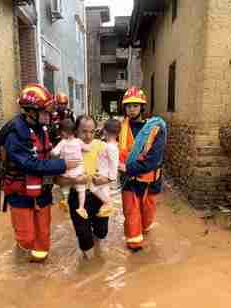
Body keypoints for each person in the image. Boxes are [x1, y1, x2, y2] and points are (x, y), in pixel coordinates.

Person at [0, 84, 79, 262]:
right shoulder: (14, 134)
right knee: (26, 238)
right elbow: (29, 163)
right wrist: (62, 165)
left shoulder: (42, 129)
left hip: (42, 191)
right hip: (20, 193)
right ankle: (21, 255)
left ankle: (38, 266)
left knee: (43, 234)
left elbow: (48, 154)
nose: (49, 115)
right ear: (30, 111)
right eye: (45, 111)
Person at [118, 86, 167, 252]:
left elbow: (154, 160)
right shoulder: (119, 129)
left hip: (150, 181)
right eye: (128, 106)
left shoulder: (155, 129)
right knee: (132, 215)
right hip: (129, 182)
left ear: (142, 107)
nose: (131, 110)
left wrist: (128, 168)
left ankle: (142, 232)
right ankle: (135, 248)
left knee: (147, 219)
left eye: (135, 106)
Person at [59, 115, 111, 259]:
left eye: (92, 132)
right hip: (77, 197)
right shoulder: (65, 148)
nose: (88, 136)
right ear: (75, 131)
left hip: (99, 195)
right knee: (84, 236)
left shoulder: (102, 146)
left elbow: (113, 170)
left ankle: (96, 247)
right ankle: (89, 265)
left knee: (102, 232)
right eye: (84, 131)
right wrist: (74, 180)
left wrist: (105, 179)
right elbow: (57, 180)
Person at [51, 118, 89, 218]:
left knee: (65, 188)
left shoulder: (62, 142)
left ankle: (65, 200)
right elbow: (87, 148)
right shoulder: (78, 141)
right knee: (81, 189)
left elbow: (54, 152)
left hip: (66, 172)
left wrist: (51, 150)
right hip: (78, 172)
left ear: (63, 132)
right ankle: (81, 207)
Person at [91, 118, 121, 217]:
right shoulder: (108, 145)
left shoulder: (110, 147)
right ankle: (105, 206)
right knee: (103, 190)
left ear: (105, 131)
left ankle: (108, 203)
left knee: (93, 187)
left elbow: (114, 164)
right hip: (103, 173)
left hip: (103, 174)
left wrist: (110, 178)